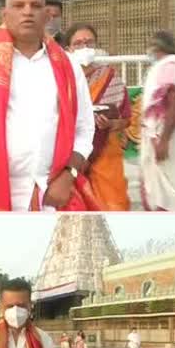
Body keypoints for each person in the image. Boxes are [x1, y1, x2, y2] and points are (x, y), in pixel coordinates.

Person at [0, 0, 99, 212]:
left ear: (47, 16)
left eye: (35, 5)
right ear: (5, 14)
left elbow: (85, 127)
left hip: (51, 191)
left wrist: (69, 175)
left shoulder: (68, 66)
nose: (27, 11)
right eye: (18, 5)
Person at [65, 22, 132, 210]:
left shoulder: (110, 77)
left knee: (112, 208)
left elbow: (126, 119)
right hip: (72, 154)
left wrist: (110, 124)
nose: (84, 47)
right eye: (78, 43)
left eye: (89, 42)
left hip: (106, 155)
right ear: (68, 48)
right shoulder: (63, 77)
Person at [139, 30, 175, 211]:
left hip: (168, 141)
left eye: (151, 47)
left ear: (158, 48)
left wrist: (164, 140)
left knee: (171, 191)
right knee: (161, 189)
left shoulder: (169, 67)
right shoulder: (171, 67)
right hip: (163, 139)